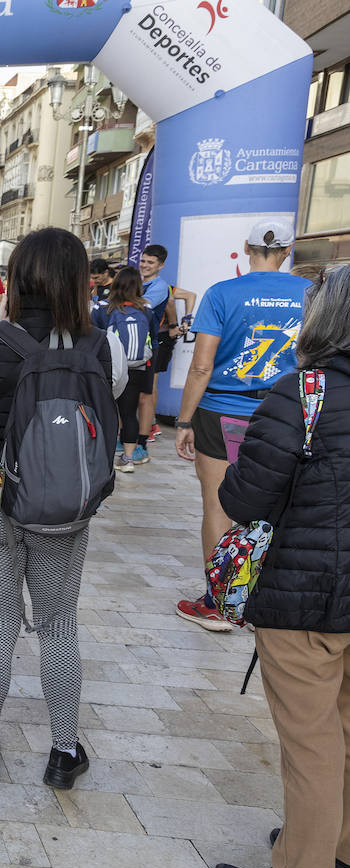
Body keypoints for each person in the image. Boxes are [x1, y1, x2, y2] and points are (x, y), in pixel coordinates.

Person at [0, 227, 127, 791]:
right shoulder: (102, 346)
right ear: (79, 282)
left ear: (16, 278)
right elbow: (113, 393)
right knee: (59, 624)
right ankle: (64, 752)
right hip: (63, 502)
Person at [212, 266, 350, 868]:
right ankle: (338, 854)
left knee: (312, 744)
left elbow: (242, 498)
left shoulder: (303, 394)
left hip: (306, 598)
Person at [173, 218, 312, 632]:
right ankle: (265, 601)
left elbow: (201, 366)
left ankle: (219, 604)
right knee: (283, 506)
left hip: (221, 411)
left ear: (247, 248)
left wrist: (183, 421)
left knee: (218, 504)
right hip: (288, 410)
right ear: (288, 251)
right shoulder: (310, 294)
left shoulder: (221, 293)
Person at [92, 266, 153, 473]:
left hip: (108, 365)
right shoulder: (146, 310)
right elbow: (153, 341)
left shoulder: (103, 309)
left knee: (104, 410)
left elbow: (93, 337)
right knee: (129, 413)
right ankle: (128, 459)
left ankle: (102, 457)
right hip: (136, 366)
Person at [136, 243, 196, 452]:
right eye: (143, 261)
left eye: (150, 262)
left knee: (148, 390)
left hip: (153, 343)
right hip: (138, 343)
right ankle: (138, 432)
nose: (145, 265)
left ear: (160, 265)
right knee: (138, 391)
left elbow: (189, 297)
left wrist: (183, 322)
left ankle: (146, 433)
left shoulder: (163, 287)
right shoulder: (140, 283)